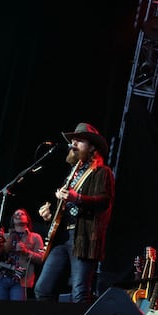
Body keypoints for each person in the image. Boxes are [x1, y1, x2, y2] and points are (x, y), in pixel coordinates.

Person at [35, 122, 115, 303]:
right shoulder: (71, 174)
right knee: (43, 289)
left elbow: (104, 201)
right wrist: (50, 216)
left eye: (79, 141)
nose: (73, 144)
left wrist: (77, 198)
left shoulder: (102, 172)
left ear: (92, 146)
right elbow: (65, 208)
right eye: (73, 141)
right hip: (62, 237)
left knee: (80, 293)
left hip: (83, 238)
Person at [0, 209, 44, 300]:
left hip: (21, 280)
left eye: (22, 214)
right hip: (1, 278)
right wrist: (0, 240)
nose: (19, 215)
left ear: (27, 219)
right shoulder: (5, 236)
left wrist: (26, 252)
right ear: (12, 219)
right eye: (16, 214)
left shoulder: (36, 237)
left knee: (16, 311)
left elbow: (41, 258)